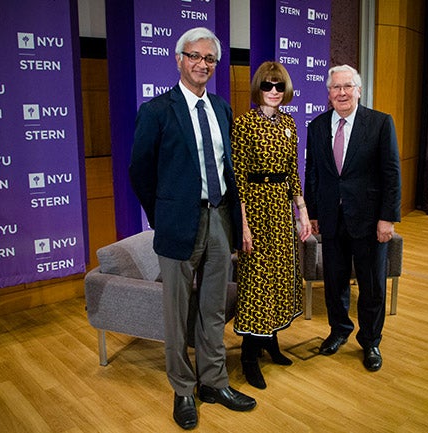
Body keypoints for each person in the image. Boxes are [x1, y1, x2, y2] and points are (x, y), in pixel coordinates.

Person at [129, 27, 256, 430]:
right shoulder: (156, 111)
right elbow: (139, 172)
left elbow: (229, 169)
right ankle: (183, 388)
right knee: (177, 312)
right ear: (179, 59)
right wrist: (161, 214)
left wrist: (238, 222)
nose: (202, 64)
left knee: (213, 308)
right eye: (194, 56)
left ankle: (213, 382)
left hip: (219, 218)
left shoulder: (221, 108)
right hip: (177, 225)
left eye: (210, 59)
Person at [304, 64, 401, 372]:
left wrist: (387, 218)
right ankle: (339, 330)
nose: (342, 93)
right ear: (329, 93)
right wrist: (314, 212)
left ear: (359, 90)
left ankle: (371, 341)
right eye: (336, 88)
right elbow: (314, 173)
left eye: (348, 87)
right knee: (334, 281)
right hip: (332, 219)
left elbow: (391, 174)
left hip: (370, 221)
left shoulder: (380, 123)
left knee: (372, 284)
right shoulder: (317, 126)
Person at [231, 61, 312, 389]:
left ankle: (270, 341)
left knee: (279, 276)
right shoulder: (244, 124)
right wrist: (244, 226)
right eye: (268, 86)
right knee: (257, 282)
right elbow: (237, 177)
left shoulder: (290, 124)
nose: (275, 92)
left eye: (279, 86)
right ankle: (249, 355)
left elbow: (293, 172)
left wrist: (302, 212)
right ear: (258, 89)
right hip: (256, 209)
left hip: (281, 210)